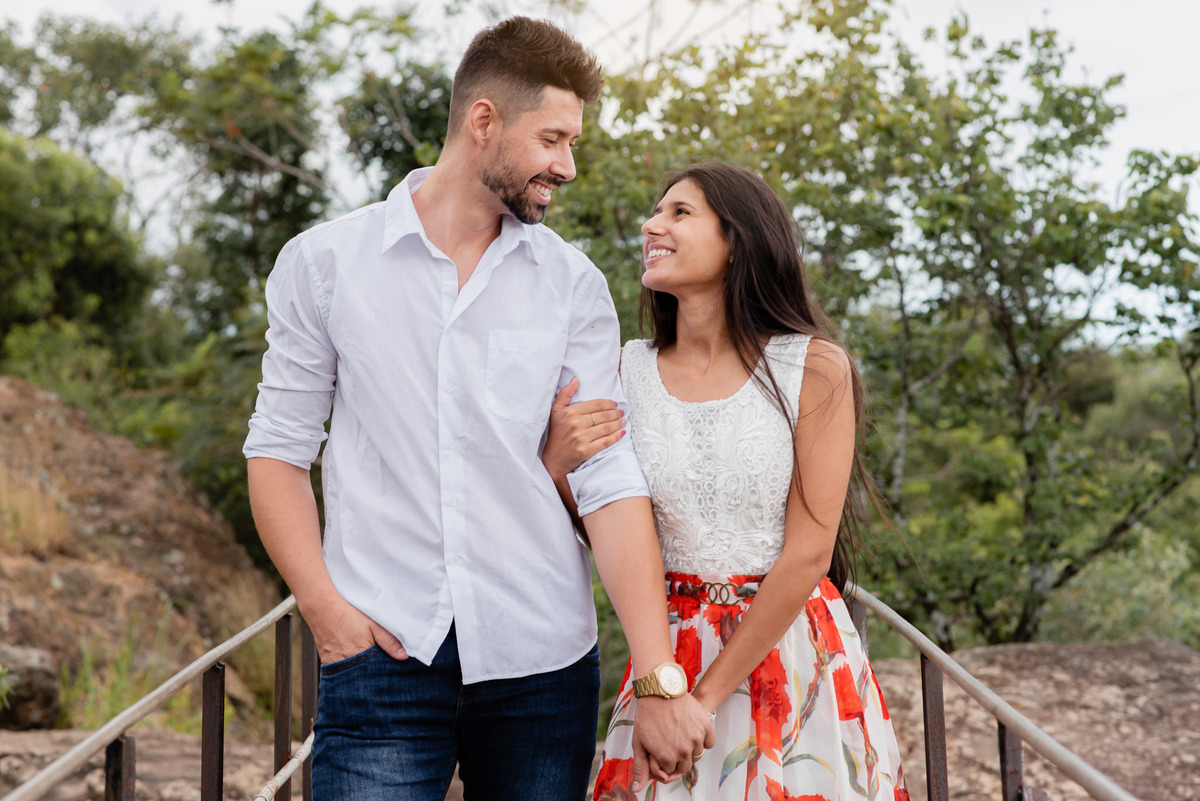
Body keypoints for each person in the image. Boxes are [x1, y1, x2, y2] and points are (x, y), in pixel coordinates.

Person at [242, 17, 712, 800]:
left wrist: (659, 673)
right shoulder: (324, 265)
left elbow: (607, 478)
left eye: (572, 144)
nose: (567, 166)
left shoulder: (572, 285)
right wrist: (326, 614)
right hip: (380, 653)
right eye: (553, 139)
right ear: (483, 120)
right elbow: (278, 450)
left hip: (542, 664)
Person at [542, 162, 910, 799]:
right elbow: (606, 526)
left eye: (679, 212)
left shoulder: (814, 367)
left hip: (789, 655)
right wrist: (555, 465)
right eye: (656, 212)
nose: (651, 225)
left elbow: (809, 553)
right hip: (665, 653)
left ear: (737, 240)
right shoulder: (625, 370)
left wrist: (698, 702)